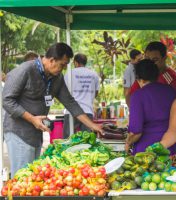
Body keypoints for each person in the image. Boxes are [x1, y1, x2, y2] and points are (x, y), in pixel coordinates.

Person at [3, 43, 103, 177]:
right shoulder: (25, 70)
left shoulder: (56, 77)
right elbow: (7, 101)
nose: (64, 69)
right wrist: (32, 118)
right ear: (51, 60)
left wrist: (92, 125)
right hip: (19, 132)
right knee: (22, 178)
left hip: (36, 134)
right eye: (62, 65)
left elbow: (70, 103)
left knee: (32, 178)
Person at [125, 59, 176, 155]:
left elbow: (136, 131)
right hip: (172, 146)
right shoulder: (171, 91)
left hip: (147, 149)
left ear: (139, 79)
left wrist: (128, 143)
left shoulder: (138, 95)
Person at [63, 53, 100, 138]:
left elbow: (64, 92)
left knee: (67, 140)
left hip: (71, 111)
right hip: (87, 111)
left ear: (75, 62)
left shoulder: (69, 73)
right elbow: (96, 93)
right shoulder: (93, 74)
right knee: (87, 141)